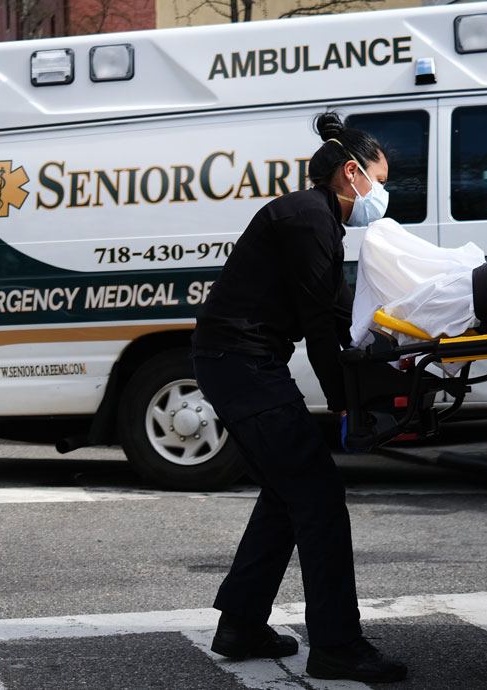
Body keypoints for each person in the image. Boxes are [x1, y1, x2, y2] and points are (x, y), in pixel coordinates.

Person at [190, 111, 406, 683]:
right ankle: (337, 645)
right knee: (319, 498)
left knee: (291, 491)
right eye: (380, 181)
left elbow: (333, 311)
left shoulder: (315, 219)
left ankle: (241, 623)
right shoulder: (310, 220)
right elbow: (317, 327)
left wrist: (380, 342)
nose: (381, 194)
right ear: (352, 174)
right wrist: (345, 405)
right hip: (241, 365)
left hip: (236, 362)